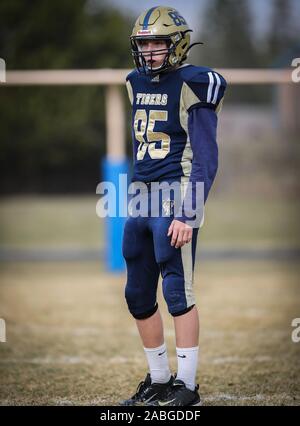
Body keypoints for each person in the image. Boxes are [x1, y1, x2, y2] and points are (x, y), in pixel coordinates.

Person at [120, 6, 226, 406]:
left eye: (156, 43)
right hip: (141, 195)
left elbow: (205, 158)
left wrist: (188, 211)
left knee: (178, 289)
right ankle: (160, 379)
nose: (148, 51)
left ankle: (188, 385)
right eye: (143, 43)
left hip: (175, 194)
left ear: (177, 44)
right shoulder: (133, 81)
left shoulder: (192, 83)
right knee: (137, 292)